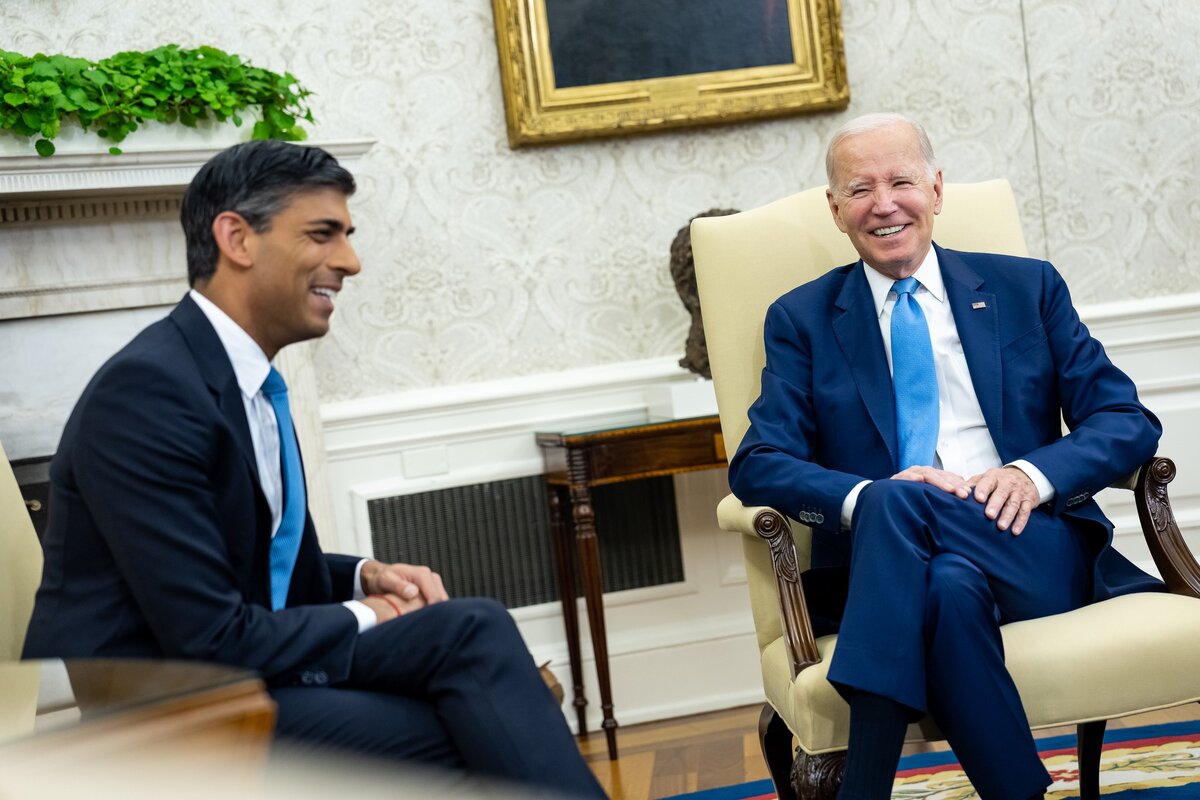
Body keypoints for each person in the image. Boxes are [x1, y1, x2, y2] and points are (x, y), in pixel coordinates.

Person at [22, 140, 605, 798]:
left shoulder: (246, 385)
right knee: (488, 719)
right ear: (237, 238)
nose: (350, 262)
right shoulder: (148, 392)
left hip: (249, 670)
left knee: (473, 629)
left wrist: (362, 575)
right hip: (177, 707)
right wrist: (370, 613)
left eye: (348, 236)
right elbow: (209, 636)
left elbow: (254, 570)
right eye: (323, 234)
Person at [728, 113, 1163, 799]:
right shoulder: (803, 319)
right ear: (835, 208)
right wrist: (864, 498)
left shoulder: (1027, 288)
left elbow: (1125, 420)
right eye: (861, 188)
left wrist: (1031, 474)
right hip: (899, 568)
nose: (885, 203)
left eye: (901, 180)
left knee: (901, 506)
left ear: (935, 189)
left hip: (1032, 547)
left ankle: (864, 783)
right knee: (945, 582)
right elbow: (758, 463)